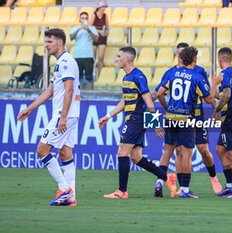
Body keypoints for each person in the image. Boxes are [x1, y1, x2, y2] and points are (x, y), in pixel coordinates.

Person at [98, 46, 177, 199]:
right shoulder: (126, 78)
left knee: (122, 152)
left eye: (119, 56)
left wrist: (155, 124)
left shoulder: (138, 76)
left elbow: (148, 101)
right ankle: (168, 178)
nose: (116, 59)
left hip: (137, 119)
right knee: (135, 157)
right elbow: (125, 101)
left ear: (127, 59)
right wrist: (108, 116)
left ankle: (122, 191)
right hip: (132, 118)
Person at [17, 28, 80, 207]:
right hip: (70, 113)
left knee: (42, 150)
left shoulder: (66, 61)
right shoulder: (61, 62)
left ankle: (64, 188)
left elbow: (69, 90)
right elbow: (50, 91)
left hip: (64, 113)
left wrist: (63, 117)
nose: (46, 46)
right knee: (65, 152)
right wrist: (30, 108)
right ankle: (71, 198)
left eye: (49, 42)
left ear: (60, 42)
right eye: (45, 42)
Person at [152, 43, 222, 197]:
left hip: (172, 116)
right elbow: (209, 97)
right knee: (186, 153)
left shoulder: (172, 74)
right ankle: (184, 189)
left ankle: (159, 182)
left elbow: (158, 94)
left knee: (168, 151)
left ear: (181, 57)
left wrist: (166, 109)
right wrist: (215, 83)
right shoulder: (196, 76)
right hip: (187, 118)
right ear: (194, 59)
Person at [212, 47, 232, 198]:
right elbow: (226, 95)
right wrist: (212, 89)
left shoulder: (224, 73)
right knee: (220, 149)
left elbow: (227, 94)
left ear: (220, 59)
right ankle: (230, 185)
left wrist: (216, 110)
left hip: (231, 117)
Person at [70, 12, 99, 90]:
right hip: (77, 56)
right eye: (82, 18)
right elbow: (71, 37)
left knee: (89, 78)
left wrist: (88, 30)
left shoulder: (92, 28)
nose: (84, 20)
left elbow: (96, 39)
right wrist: (80, 28)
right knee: (78, 78)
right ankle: (78, 95)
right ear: (79, 20)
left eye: (86, 18)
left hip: (88, 56)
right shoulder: (75, 28)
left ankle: (90, 95)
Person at [89, 1, 109, 77]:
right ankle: (93, 75)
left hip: (102, 39)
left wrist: (105, 32)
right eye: (103, 7)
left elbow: (107, 27)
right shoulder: (93, 15)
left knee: (101, 58)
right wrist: (99, 31)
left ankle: (100, 75)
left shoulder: (105, 16)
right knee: (93, 58)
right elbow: (89, 27)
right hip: (94, 38)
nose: (104, 9)